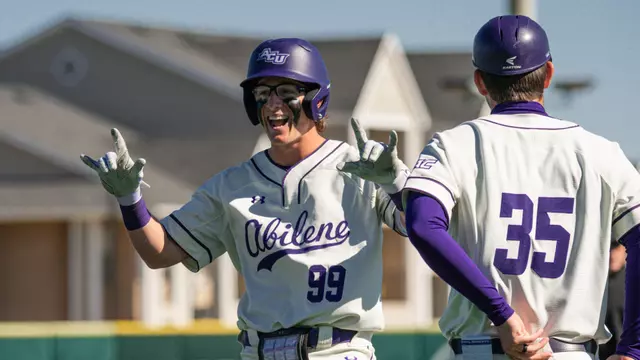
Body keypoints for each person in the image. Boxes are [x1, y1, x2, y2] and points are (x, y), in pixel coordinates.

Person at [80, 37, 411, 360]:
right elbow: (160, 252)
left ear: (316, 99)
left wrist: (395, 182)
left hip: (338, 350)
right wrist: (129, 198)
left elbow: (423, 226)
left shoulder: (362, 168)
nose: (272, 104)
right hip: (258, 350)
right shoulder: (232, 185)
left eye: (285, 92)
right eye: (263, 93)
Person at [401, 14, 640, 360]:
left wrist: (502, 313)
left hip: (481, 351)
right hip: (571, 352)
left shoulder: (455, 145)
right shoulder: (602, 153)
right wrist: (632, 348)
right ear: (550, 74)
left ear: (480, 82)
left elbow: (423, 225)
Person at [600, 240, 627, 360]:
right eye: (609, 248)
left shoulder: (633, 283)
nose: (612, 254)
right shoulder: (596, 283)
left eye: (616, 248)